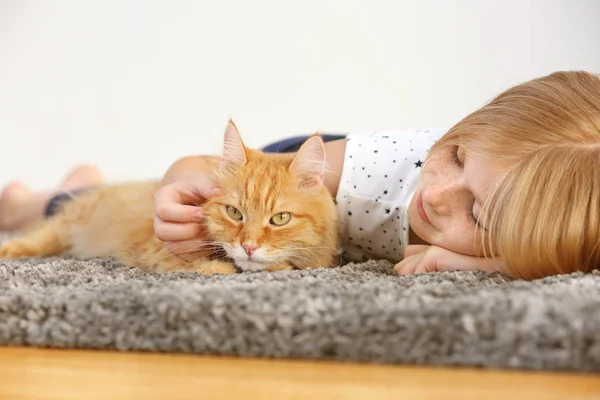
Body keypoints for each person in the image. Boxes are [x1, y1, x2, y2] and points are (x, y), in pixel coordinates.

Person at [1, 70, 599, 280]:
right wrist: (173, 191)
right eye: (459, 155)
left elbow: (567, 256)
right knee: (106, 205)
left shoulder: (553, 224)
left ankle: (72, 185)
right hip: (302, 171)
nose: (437, 195)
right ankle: (41, 199)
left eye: (477, 213)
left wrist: (474, 261)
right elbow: (202, 172)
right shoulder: (386, 164)